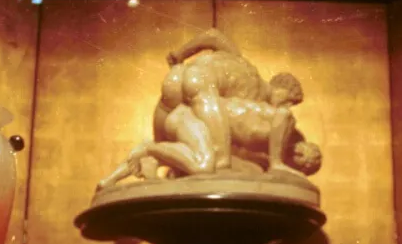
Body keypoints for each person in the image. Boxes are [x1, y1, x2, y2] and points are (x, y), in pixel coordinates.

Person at [97, 29, 319, 190]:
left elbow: (212, 36)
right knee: (218, 164)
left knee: (178, 153)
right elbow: (269, 121)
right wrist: (275, 163)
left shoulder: (241, 63)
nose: (287, 106)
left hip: (175, 80)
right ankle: (150, 154)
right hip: (200, 85)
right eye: (289, 100)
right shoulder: (259, 99)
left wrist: (179, 55)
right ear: (281, 89)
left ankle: (135, 167)